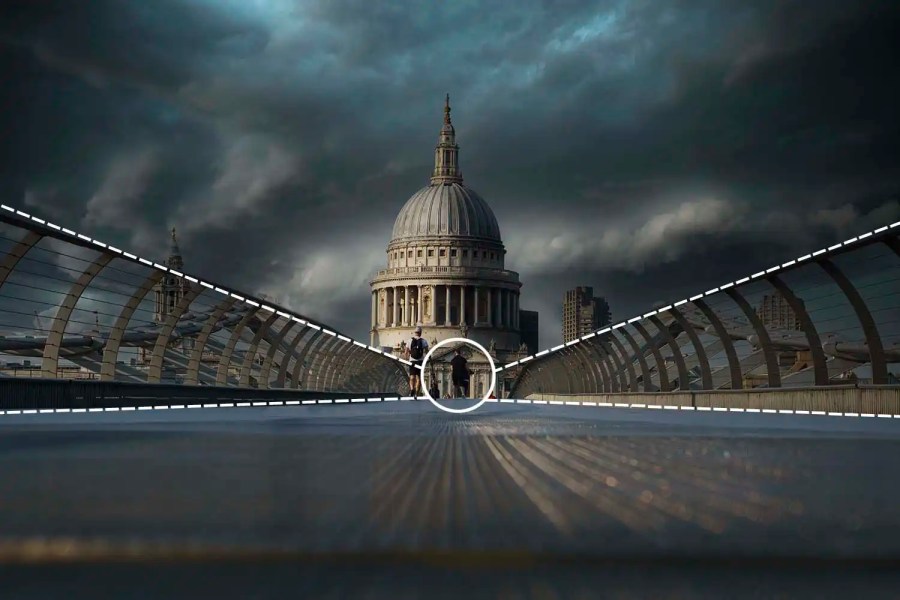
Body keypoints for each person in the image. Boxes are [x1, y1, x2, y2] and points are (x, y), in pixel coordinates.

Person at [405, 325, 429, 397]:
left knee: (412, 377)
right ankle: (416, 394)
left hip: (412, 360)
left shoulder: (410, 340)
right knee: (419, 378)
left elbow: (406, 352)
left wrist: (407, 359)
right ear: (420, 333)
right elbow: (427, 351)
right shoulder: (423, 341)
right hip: (420, 361)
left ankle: (412, 389)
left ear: (415, 332)